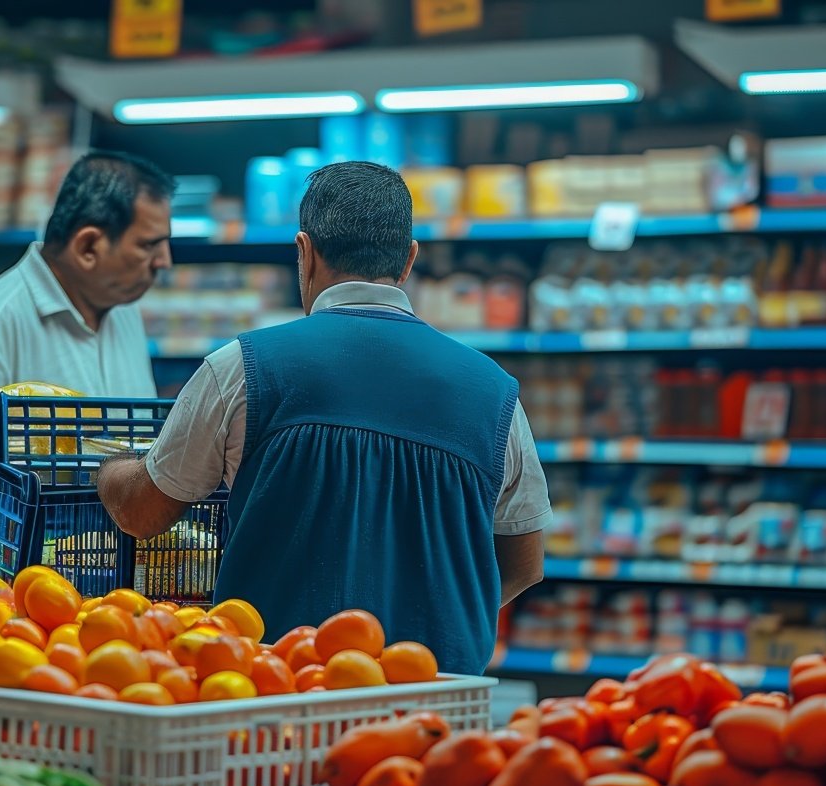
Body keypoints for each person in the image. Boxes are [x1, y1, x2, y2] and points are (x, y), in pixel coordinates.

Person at [96, 161, 550, 676]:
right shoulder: (496, 394)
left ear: (304, 252)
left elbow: (142, 513)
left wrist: (108, 466)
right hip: (434, 709)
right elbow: (524, 564)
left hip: (277, 695)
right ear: (408, 261)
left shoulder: (241, 367)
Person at [0, 150, 175, 539]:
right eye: (149, 246)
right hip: (34, 588)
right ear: (88, 246)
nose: (165, 262)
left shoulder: (123, 311)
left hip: (121, 584)